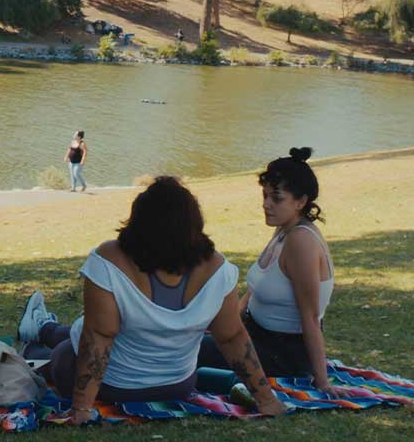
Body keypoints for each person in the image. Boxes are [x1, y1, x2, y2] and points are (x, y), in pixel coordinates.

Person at [16, 176, 287, 424]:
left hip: (113, 387)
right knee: (75, 334)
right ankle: (42, 328)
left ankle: (30, 349)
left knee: (63, 352)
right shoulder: (218, 269)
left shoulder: (109, 259)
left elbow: (98, 338)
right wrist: (267, 400)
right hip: (177, 385)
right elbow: (233, 338)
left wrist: (82, 409)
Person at [198, 147, 340, 395]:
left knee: (185, 353)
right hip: (253, 335)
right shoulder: (284, 229)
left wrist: (322, 381)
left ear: (301, 201)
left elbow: (311, 317)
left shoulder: (301, 241)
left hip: (281, 354)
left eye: (276, 198)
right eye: (264, 196)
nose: (266, 205)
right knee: (186, 341)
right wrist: (225, 324)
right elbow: (253, 292)